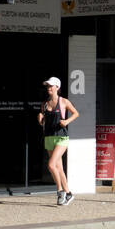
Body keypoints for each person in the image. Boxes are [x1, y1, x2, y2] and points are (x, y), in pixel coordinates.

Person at [38, 76, 79, 206]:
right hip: (49, 137)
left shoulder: (63, 102)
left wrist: (66, 121)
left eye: (51, 86)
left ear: (57, 87)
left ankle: (60, 191)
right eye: (48, 86)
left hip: (61, 137)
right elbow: (43, 122)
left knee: (51, 165)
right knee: (59, 168)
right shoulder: (44, 104)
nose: (49, 88)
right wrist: (40, 119)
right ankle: (69, 193)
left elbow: (76, 113)